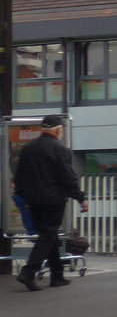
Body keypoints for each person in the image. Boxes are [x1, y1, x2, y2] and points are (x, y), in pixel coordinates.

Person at [12, 115, 89, 291]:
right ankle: (28, 272)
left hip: (33, 201)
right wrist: (80, 198)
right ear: (57, 130)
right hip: (53, 200)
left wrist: (24, 198)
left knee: (49, 235)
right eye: (61, 129)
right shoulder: (59, 149)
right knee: (48, 236)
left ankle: (57, 275)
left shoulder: (28, 148)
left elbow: (19, 178)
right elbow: (68, 177)